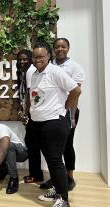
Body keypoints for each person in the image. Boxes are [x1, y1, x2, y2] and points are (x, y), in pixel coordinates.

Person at [27, 42, 81, 207]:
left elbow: (76, 91)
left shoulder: (56, 71)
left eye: (41, 56)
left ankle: (64, 200)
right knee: (51, 160)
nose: (38, 60)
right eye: (35, 57)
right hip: (39, 123)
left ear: (48, 56)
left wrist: (65, 107)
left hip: (54, 123)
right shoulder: (34, 74)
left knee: (56, 161)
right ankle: (57, 190)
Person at [40, 38, 85, 191]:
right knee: (53, 149)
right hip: (52, 112)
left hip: (68, 112)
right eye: (57, 47)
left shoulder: (74, 67)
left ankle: (69, 177)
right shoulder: (49, 65)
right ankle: (56, 178)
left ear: (68, 48)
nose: (60, 49)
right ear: (53, 49)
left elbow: (76, 93)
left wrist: (71, 116)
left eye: (63, 47)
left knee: (67, 145)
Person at [16, 50, 43, 184]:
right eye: (20, 60)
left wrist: (27, 114)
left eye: (25, 59)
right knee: (33, 145)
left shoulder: (30, 71)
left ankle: (36, 175)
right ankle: (35, 174)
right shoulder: (25, 72)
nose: (22, 62)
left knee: (33, 146)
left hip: (33, 115)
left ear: (31, 59)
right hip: (31, 115)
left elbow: (30, 96)